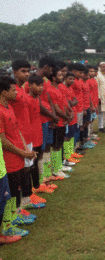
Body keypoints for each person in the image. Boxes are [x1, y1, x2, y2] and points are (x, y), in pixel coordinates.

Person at [0, 76, 37, 237]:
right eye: (13, 90)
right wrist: (22, 152)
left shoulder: (9, 107)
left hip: (18, 156)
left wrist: (25, 150)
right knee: (10, 192)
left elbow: (17, 130)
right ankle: (7, 225)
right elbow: (3, 140)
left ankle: (15, 215)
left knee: (17, 188)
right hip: (9, 158)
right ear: (3, 92)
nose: (16, 92)